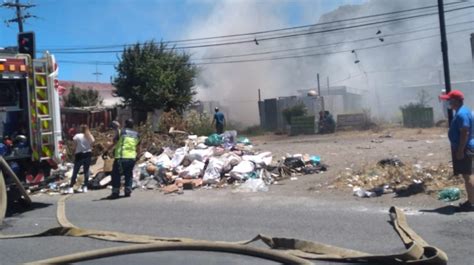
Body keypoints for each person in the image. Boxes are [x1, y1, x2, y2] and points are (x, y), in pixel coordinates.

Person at [439, 90, 474, 211]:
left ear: (456, 101)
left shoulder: (461, 114)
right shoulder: (463, 111)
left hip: (464, 149)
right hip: (466, 147)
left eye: (449, 100)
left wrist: (460, 150)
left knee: (467, 176)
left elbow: (465, 132)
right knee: (468, 175)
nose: (448, 103)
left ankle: (471, 203)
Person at [107, 119, 140, 199]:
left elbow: (114, 143)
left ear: (125, 124)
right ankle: (128, 190)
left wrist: (106, 150)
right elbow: (138, 147)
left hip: (121, 157)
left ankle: (115, 192)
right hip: (131, 157)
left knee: (116, 174)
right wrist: (137, 156)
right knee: (128, 174)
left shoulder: (121, 132)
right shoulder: (137, 134)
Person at [67, 124, 95, 194]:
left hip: (79, 154)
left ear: (80, 129)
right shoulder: (89, 136)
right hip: (88, 154)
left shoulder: (77, 136)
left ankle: (71, 187)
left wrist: (73, 153)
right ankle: (85, 187)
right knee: (86, 171)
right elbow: (93, 142)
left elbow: (74, 146)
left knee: (75, 171)